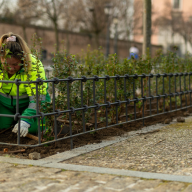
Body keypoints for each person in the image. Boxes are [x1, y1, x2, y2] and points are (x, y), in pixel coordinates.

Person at [0, 32, 50, 137]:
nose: (11, 68)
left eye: (15, 64)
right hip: (4, 105)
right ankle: (11, 121)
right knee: (3, 128)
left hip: (27, 104)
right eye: (6, 64)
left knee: (35, 129)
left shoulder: (33, 64)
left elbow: (38, 97)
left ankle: (22, 121)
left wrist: (26, 120)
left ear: (23, 60)